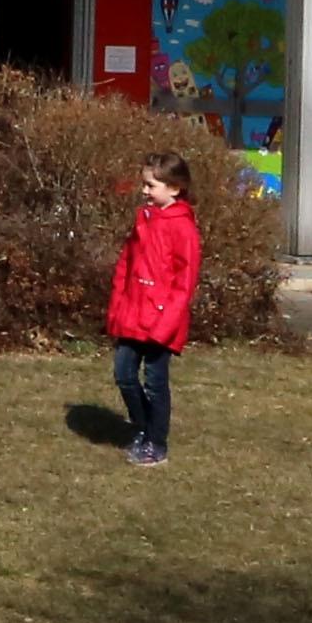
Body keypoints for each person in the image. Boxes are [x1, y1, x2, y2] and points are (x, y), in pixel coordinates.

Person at [106, 152, 200, 464]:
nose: (145, 191)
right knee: (123, 374)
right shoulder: (144, 218)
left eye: (151, 185)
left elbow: (183, 284)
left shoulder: (183, 228)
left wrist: (164, 325)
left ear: (174, 188)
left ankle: (156, 442)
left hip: (160, 319)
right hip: (133, 312)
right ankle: (144, 426)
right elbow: (126, 263)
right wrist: (117, 306)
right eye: (145, 185)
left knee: (156, 383)